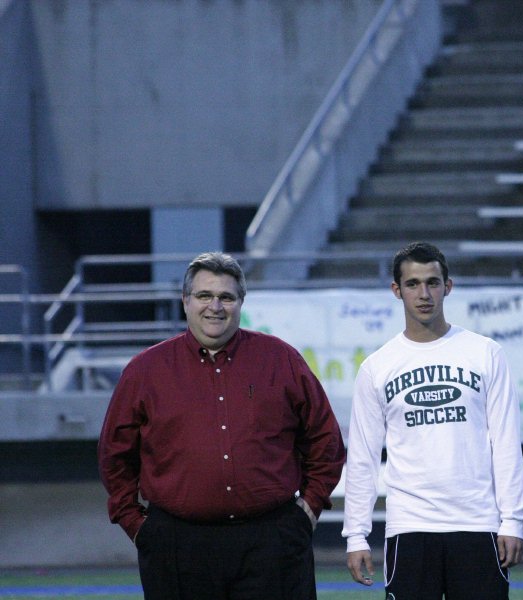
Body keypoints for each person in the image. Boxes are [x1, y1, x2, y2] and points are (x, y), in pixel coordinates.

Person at [98, 251, 346, 600]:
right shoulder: (145, 371)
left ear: (240, 302)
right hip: (177, 548)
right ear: (185, 301)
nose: (215, 306)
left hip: (272, 543)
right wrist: (137, 525)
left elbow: (326, 440)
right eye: (204, 295)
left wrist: (308, 509)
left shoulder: (281, 359)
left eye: (226, 297)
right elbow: (114, 456)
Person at [341, 241, 523, 599]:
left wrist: (513, 520)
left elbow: (504, 442)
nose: (423, 293)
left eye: (432, 282)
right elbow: (362, 457)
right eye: (412, 284)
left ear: (448, 286)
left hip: (478, 525)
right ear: (397, 290)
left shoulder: (485, 353)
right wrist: (356, 534)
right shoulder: (377, 367)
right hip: (409, 528)